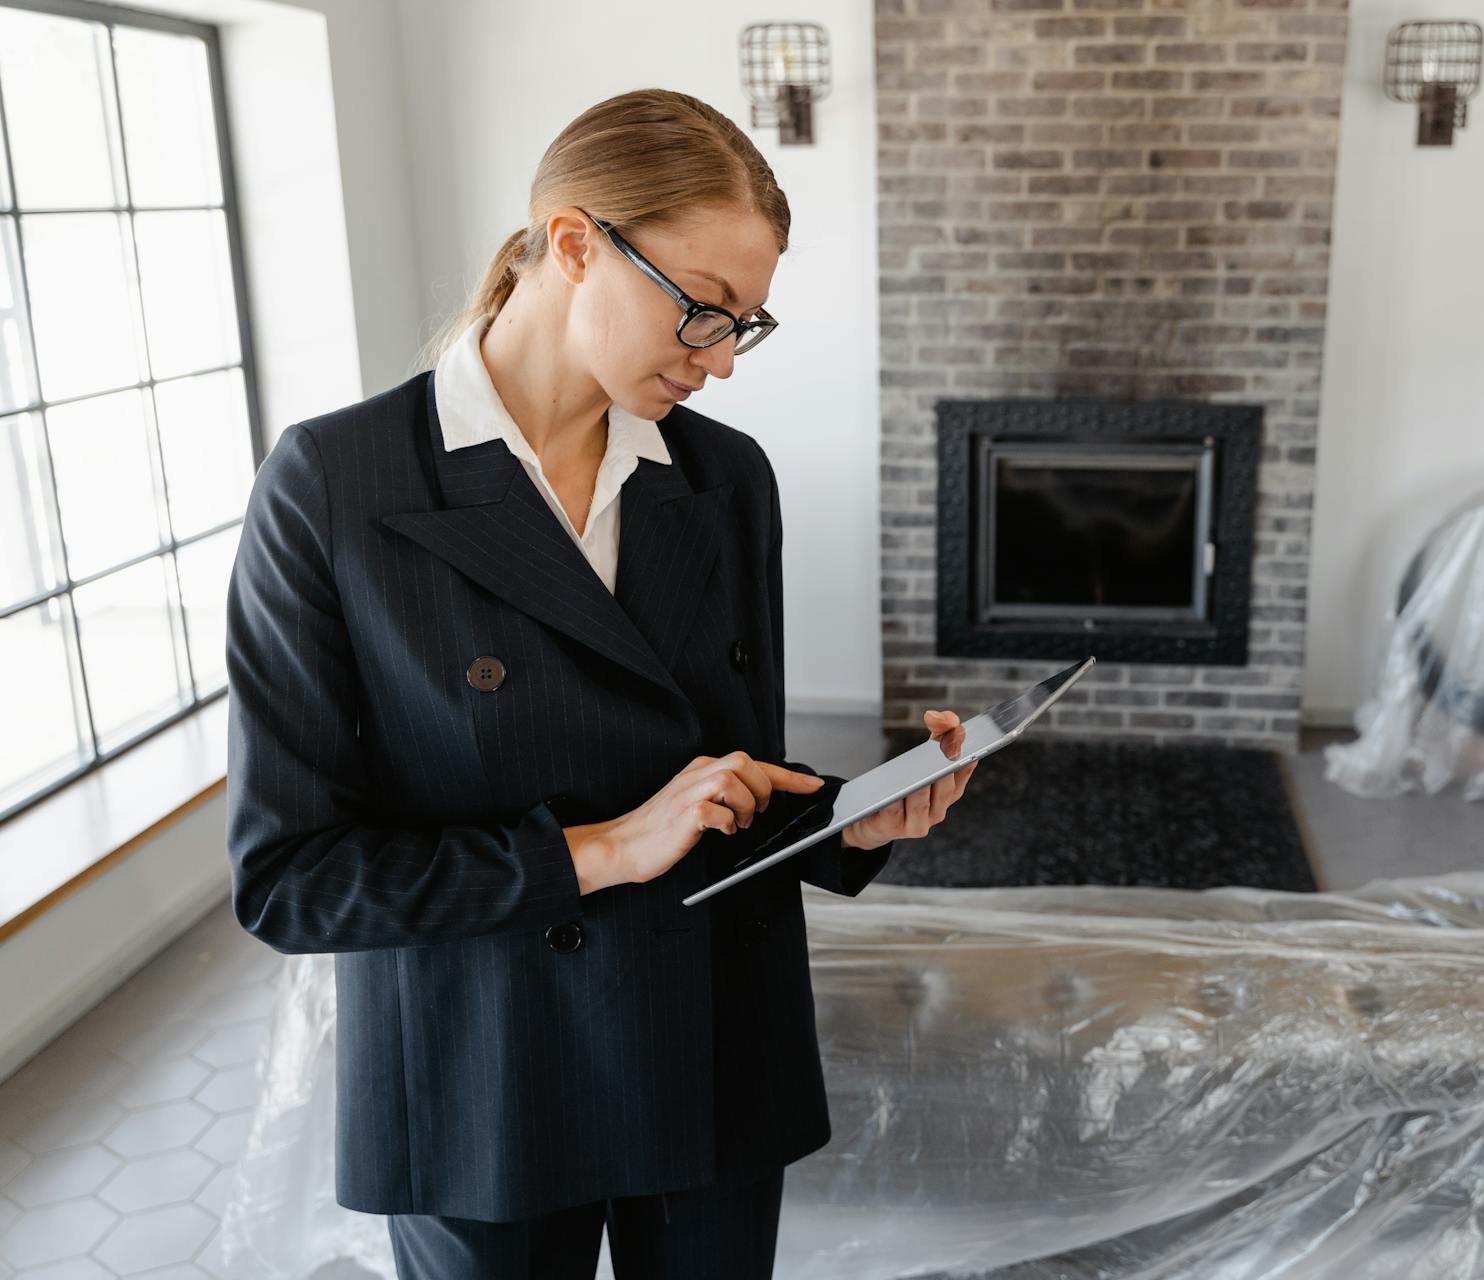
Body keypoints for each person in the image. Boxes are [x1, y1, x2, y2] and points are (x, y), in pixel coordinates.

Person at [223, 87, 976, 1279]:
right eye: (704, 312)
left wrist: (847, 816)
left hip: (712, 1051)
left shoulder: (728, 481)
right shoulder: (335, 484)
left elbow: (714, 779)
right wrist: (600, 848)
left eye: (747, 326)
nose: (722, 361)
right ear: (575, 244)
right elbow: (292, 881)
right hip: (486, 1081)